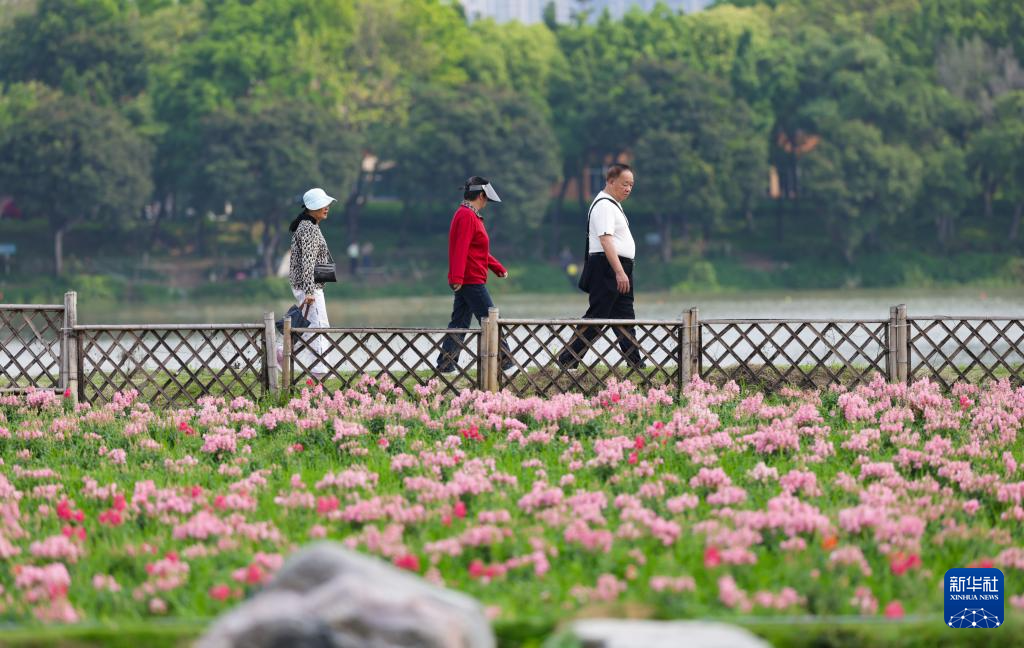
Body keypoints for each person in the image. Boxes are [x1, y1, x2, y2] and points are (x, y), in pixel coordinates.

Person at [557, 163, 644, 369]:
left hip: (618, 266)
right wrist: (619, 271)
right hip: (608, 266)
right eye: (624, 184)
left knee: (624, 315)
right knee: (598, 315)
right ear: (610, 181)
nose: (628, 189)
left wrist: (622, 270)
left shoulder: (613, 204)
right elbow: (606, 240)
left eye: (631, 185)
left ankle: (635, 363)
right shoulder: (604, 205)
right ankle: (568, 358)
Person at [437, 176, 512, 373]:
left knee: (459, 323)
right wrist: (457, 278)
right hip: (471, 280)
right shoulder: (467, 216)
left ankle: (446, 365)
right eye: (486, 198)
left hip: (469, 279)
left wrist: (497, 267)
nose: (486, 202)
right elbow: (460, 249)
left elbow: (477, 251)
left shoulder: (469, 215)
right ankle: (507, 363)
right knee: (492, 320)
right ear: (481, 196)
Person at [286, 187, 336, 380]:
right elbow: (307, 262)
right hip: (310, 287)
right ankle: (319, 373)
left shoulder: (309, 225)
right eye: (322, 205)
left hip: (310, 286)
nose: (327, 207)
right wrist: (309, 291)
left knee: (310, 327)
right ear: (312, 208)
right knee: (320, 327)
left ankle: (282, 352)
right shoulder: (308, 229)